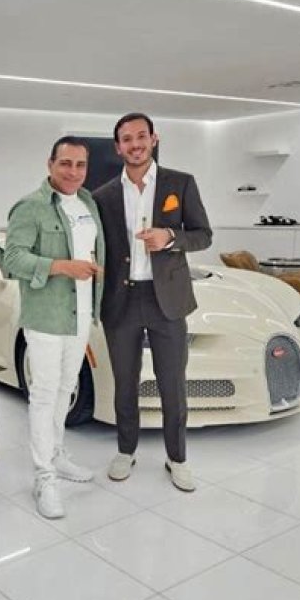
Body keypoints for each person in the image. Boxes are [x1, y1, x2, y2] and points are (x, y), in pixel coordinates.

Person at [93, 113, 212, 492]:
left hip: (168, 301)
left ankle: (177, 458)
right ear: (118, 147)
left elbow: (203, 235)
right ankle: (125, 450)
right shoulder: (102, 196)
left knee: (172, 383)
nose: (135, 145)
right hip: (121, 300)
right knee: (125, 382)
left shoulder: (181, 183)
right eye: (127, 139)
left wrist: (170, 237)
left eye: (141, 136)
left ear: (153, 139)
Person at [3, 136, 105, 519]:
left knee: (65, 389)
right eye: (65, 163)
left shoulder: (88, 203)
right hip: (46, 316)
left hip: (80, 315)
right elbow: (13, 259)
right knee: (44, 394)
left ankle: (57, 454)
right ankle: (44, 476)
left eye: (80, 165)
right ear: (50, 164)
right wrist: (62, 267)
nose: (73, 172)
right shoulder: (30, 207)